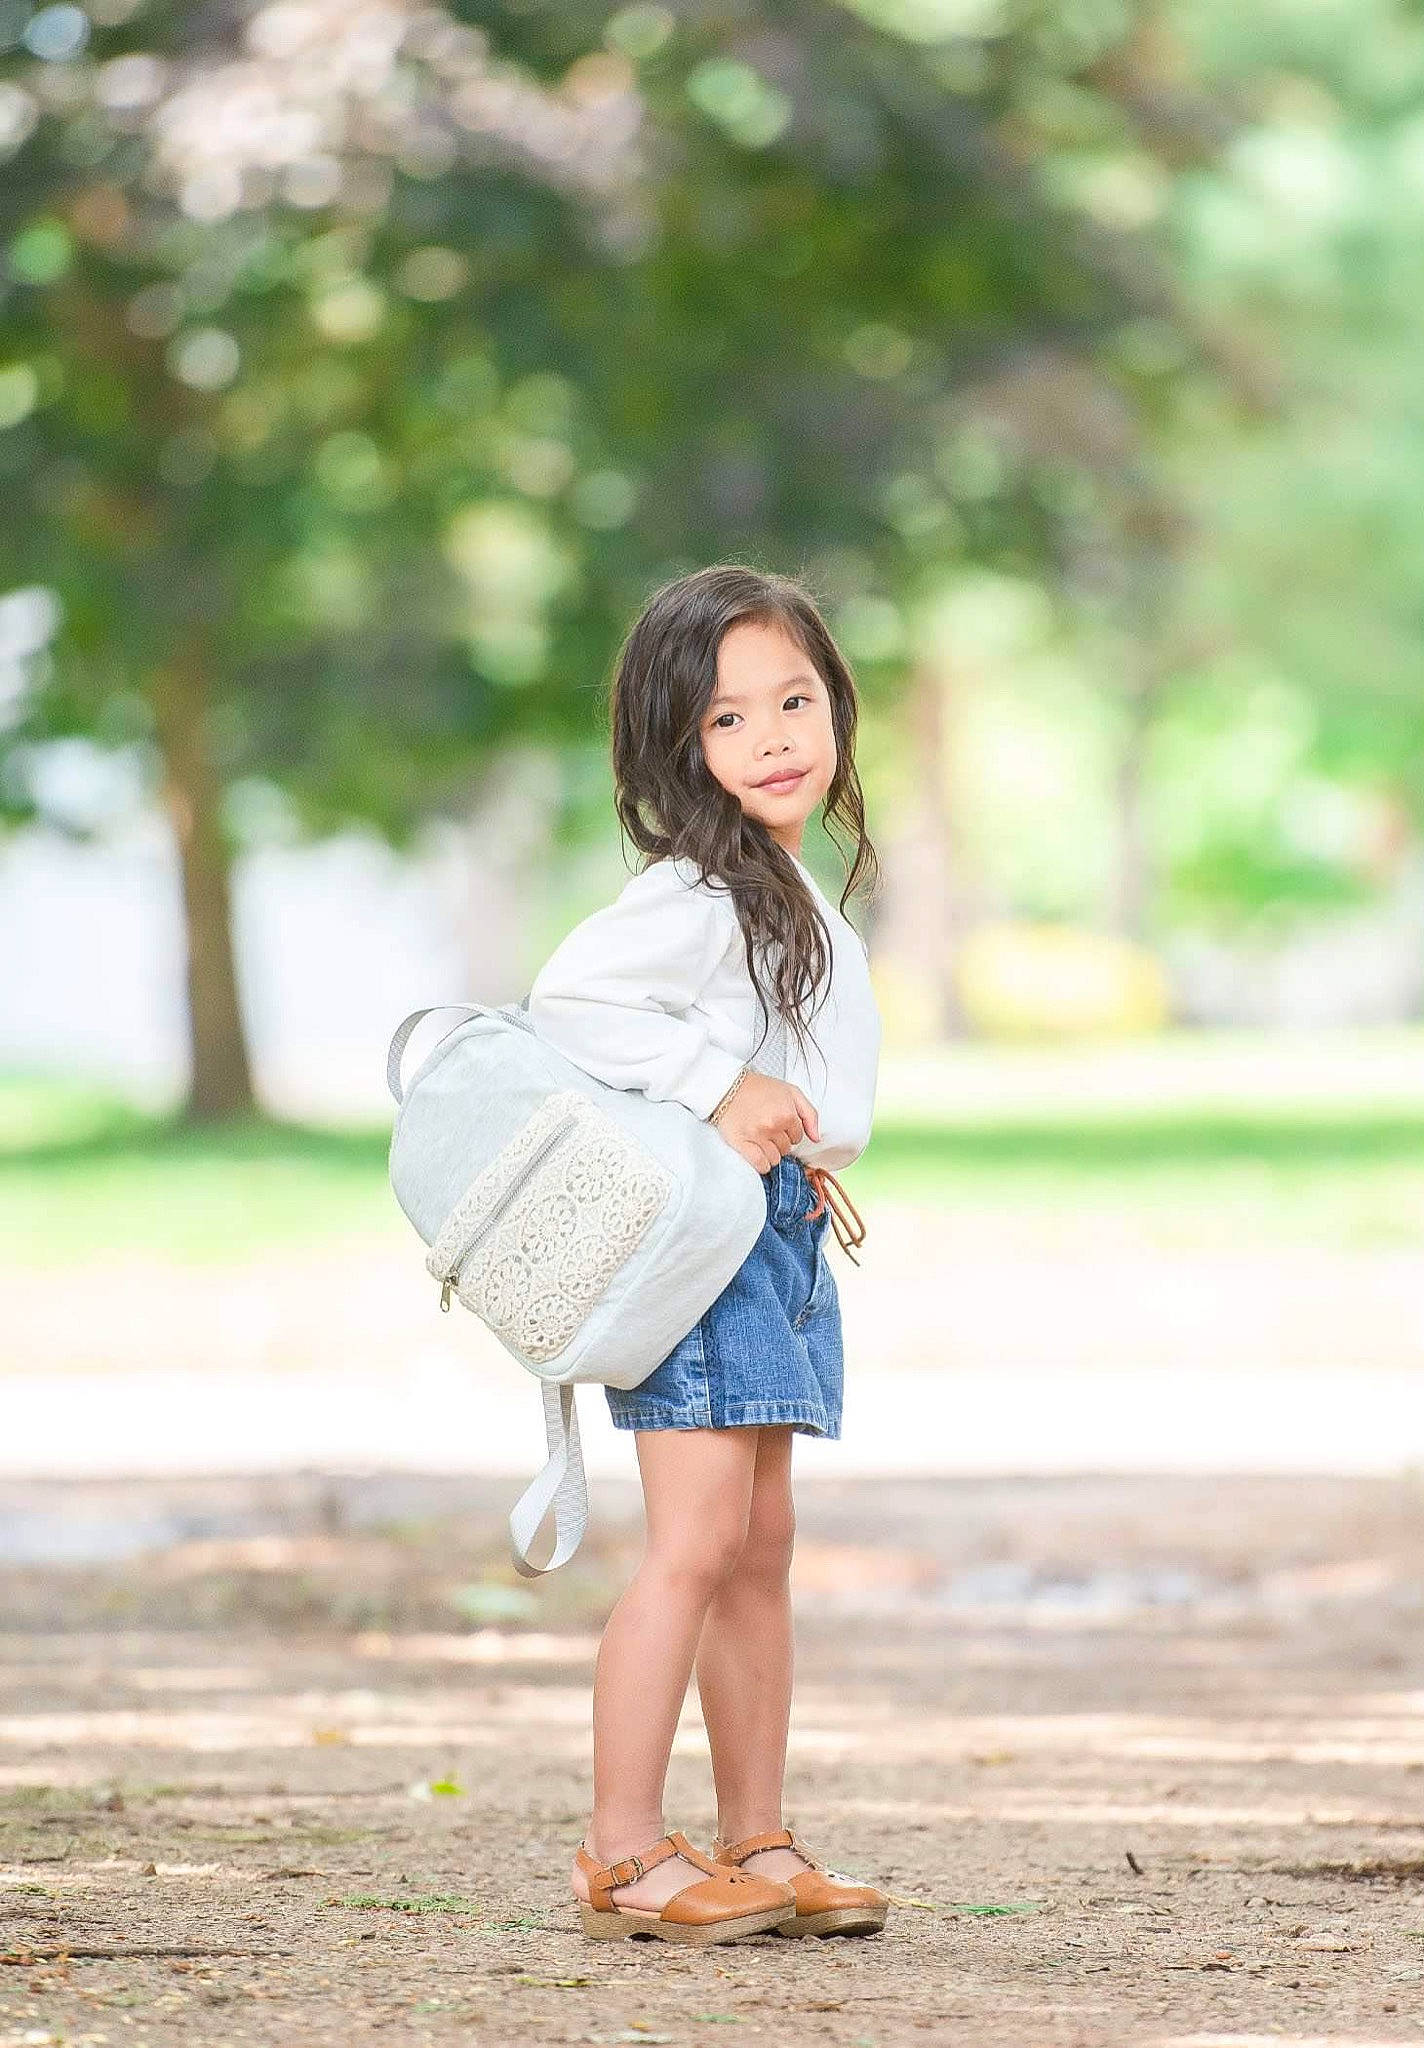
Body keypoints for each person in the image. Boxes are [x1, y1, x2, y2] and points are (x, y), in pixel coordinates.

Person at [527, 563, 886, 1947]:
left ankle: (757, 1836)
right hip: (707, 1242)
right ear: (676, 751)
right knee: (690, 1546)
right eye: (729, 721)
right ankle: (622, 1851)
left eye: (794, 701)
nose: (776, 737)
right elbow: (570, 1000)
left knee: (759, 1546)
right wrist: (716, 1083)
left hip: (781, 1232)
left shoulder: (781, 882)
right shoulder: (692, 890)